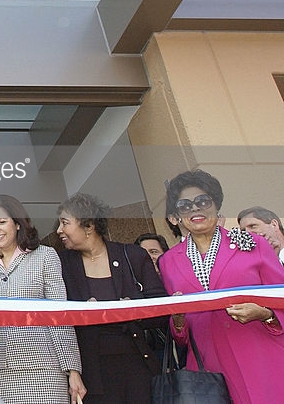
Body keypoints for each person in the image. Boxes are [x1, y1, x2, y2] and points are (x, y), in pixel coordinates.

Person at [160, 170, 284, 404]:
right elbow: (181, 335)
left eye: (203, 201)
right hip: (209, 369)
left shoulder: (253, 244)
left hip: (263, 356)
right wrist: (177, 318)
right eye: (185, 205)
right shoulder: (168, 262)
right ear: (177, 215)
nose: (195, 209)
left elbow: (281, 296)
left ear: (216, 207)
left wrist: (266, 314)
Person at [56, 192, 164, 404]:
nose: (59, 230)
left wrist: (133, 310)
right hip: (92, 372)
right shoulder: (61, 263)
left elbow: (161, 311)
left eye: (65, 223)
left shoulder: (132, 256)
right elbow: (59, 318)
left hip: (138, 366)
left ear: (88, 226)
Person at [0, 194, 85, 404]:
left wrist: (72, 370)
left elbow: (59, 316)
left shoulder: (45, 256)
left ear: (17, 224)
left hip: (44, 369)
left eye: (1, 222)